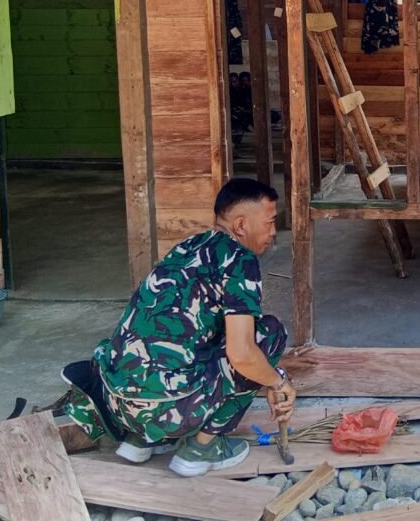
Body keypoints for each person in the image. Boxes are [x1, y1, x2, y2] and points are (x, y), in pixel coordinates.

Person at [62, 178, 295, 477]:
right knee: (270, 333)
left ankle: (141, 440)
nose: (273, 233)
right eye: (270, 222)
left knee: (162, 344)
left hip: (115, 403)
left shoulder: (186, 247)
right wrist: (278, 382)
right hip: (166, 410)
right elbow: (242, 353)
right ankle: (202, 448)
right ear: (241, 225)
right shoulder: (240, 260)